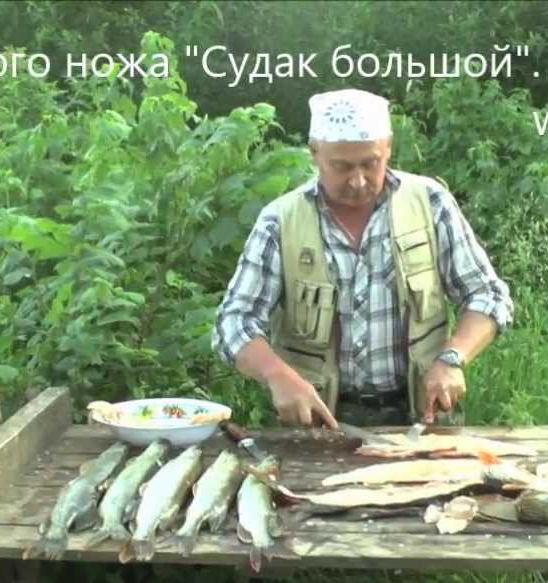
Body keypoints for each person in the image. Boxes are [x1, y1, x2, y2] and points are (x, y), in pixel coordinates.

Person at [211, 88, 514, 429]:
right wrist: (278, 375)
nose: (357, 181)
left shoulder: (430, 202)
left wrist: (452, 357)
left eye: (370, 164)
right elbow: (233, 322)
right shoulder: (280, 221)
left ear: (389, 148)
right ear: (315, 153)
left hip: (423, 418)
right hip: (315, 422)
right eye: (341, 167)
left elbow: (487, 295)